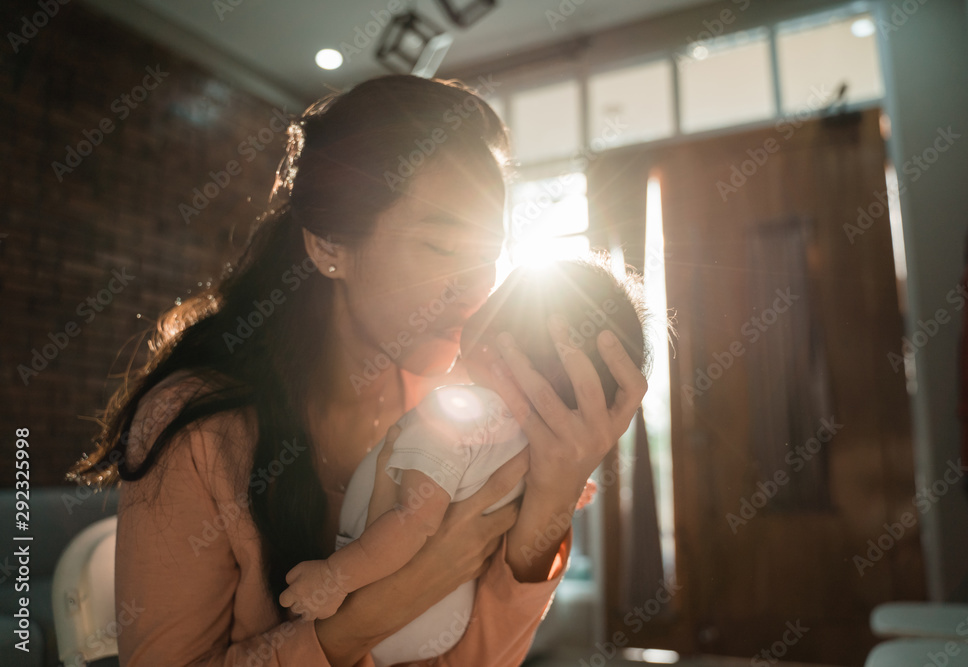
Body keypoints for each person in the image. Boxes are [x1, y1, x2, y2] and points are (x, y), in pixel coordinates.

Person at [68, 75, 649, 666]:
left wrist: (550, 499)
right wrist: (377, 609)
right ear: (327, 247)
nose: (476, 288)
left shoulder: (449, 409)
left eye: (488, 256)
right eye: (441, 249)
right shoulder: (200, 430)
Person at [277, 257, 649, 666]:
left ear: (496, 340)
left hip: (376, 601)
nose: (474, 293)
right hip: (442, 630)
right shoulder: (532, 443)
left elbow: (414, 520)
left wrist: (335, 578)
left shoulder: (459, 412)